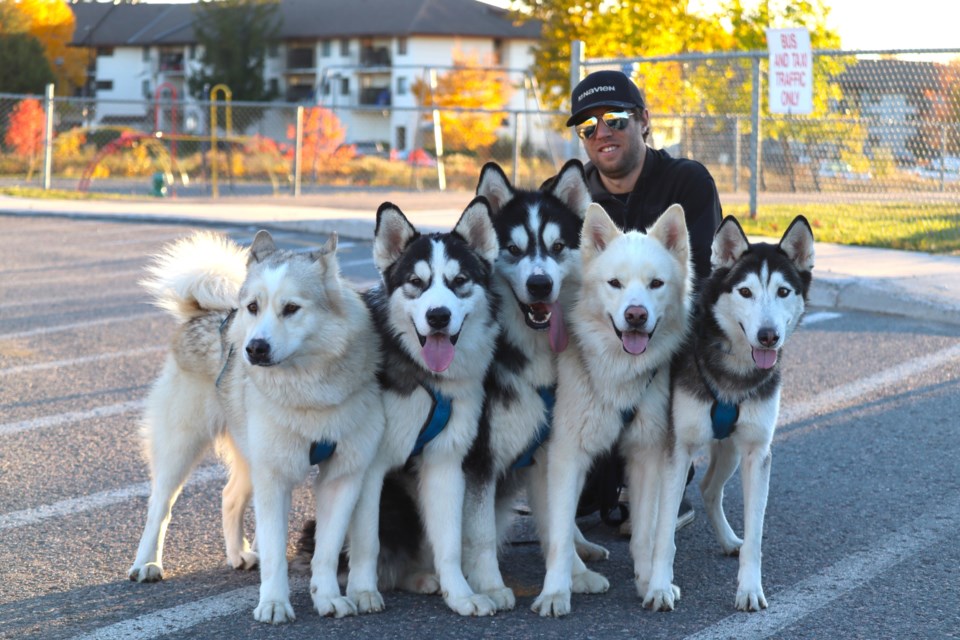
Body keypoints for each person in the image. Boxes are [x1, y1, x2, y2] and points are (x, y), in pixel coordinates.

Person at [544, 69, 723, 532]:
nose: (602, 132)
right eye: (588, 126)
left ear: (644, 120)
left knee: (689, 325)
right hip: (594, 357)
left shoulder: (686, 183)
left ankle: (663, 472)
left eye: (615, 119)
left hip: (665, 353)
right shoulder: (566, 194)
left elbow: (698, 283)